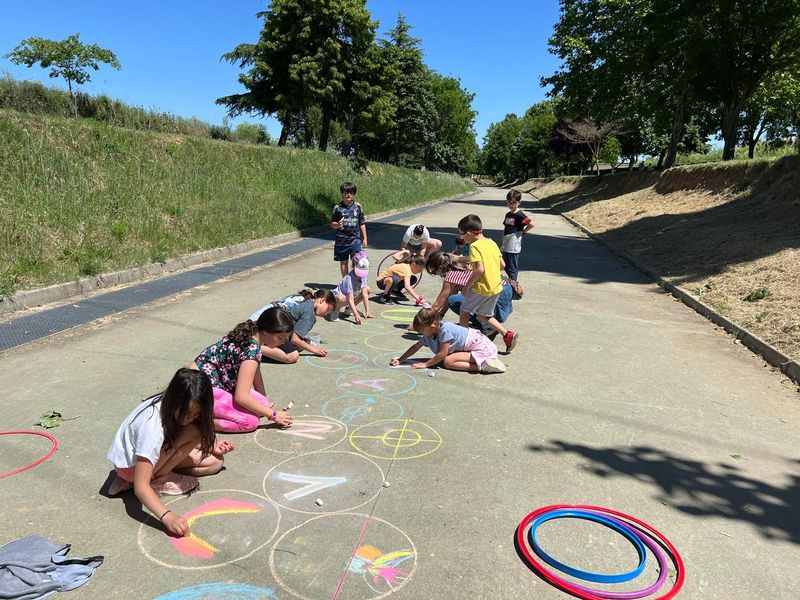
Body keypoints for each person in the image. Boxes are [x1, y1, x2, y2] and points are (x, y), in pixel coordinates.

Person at [107, 368, 235, 536]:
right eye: (187, 413)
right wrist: (167, 517)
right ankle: (155, 480)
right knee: (195, 431)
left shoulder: (167, 402)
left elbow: (176, 435)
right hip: (132, 468)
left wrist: (211, 447)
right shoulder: (152, 427)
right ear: (176, 400)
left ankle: (134, 479)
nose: (190, 418)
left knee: (214, 463)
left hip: (139, 461)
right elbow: (141, 487)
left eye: (196, 414)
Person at [191, 307, 294, 433]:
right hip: (198, 391)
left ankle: (205, 412)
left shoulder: (250, 335)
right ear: (267, 331)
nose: (283, 342)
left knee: (261, 403)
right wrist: (273, 414)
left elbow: (256, 372)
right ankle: (198, 422)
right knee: (250, 422)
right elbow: (241, 397)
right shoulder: (251, 352)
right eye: (280, 338)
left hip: (207, 381)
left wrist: (264, 403)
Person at [457, 214, 519, 352]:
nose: (463, 239)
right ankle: (507, 335)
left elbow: (480, 268)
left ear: (468, 233)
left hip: (482, 288)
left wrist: (466, 286)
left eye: (462, 235)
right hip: (496, 287)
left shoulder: (474, 246)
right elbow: (502, 265)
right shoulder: (491, 243)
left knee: (464, 311)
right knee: (483, 316)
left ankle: (463, 343)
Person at [425, 250, 514, 339]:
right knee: (457, 300)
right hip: (505, 289)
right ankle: (488, 326)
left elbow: (438, 303)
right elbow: (448, 298)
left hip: (495, 294)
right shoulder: (464, 263)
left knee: (457, 303)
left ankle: (485, 328)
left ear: (440, 268)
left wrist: (421, 323)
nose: (435, 274)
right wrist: (441, 314)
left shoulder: (451, 275)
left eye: (433, 272)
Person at [389, 308, 506, 374]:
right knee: (448, 359)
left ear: (432, 327)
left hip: (482, 348)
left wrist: (426, 364)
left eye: (422, 330)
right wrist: (401, 359)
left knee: (448, 361)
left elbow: (442, 354)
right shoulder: (430, 333)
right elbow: (415, 347)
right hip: (474, 346)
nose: (421, 333)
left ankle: (483, 366)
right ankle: (481, 362)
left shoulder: (445, 330)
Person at [249, 289, 336, 363]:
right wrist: (315, 350)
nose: (326, 314)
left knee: (299, 345)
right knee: (292, 356)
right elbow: (295, 339)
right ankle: (252, 346)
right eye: (328, 309)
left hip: (257, 319)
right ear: (322, 300)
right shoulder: (309, 313)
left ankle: (254, 343)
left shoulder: (304, 298)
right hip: (266, 326)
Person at [330, 181, 367, 278]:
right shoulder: (337, 208)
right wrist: (337, 224)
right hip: (341, 241)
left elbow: (362, 223)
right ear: (342, 193)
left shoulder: (358, 207)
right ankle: (346, 282)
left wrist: (365, 238)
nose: (348, 194)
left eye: (351, 192)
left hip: (355, 240)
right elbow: (332, 224)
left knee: (358, 261)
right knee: (344, 262)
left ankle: (357, 281)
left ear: (354, 194)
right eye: (346, 192)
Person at [500, 189, 534, 288]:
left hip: (513, 245)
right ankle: (510, 284)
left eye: (514, 202)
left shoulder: (519, 214)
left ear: (519, 203)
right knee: (504, 265)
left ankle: (514, 287)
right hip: (506, 244)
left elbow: (531, 224)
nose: (511, 204)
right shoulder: (508, 214)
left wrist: (523, 232)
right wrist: (500, 242)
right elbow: (505, 228)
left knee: (512, 268)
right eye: (509, 202)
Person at [329, 250, 374, 324]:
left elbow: (365, 293)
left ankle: (349, 309)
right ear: (353, 266)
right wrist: (356, 315)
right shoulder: (349, 279)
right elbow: (350, 299)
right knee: (341, 298)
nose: (360, 275)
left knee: (367, 289)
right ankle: (335, 310)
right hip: (339, 298)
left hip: (351, 297)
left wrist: (367, 311)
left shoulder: (363, 276)